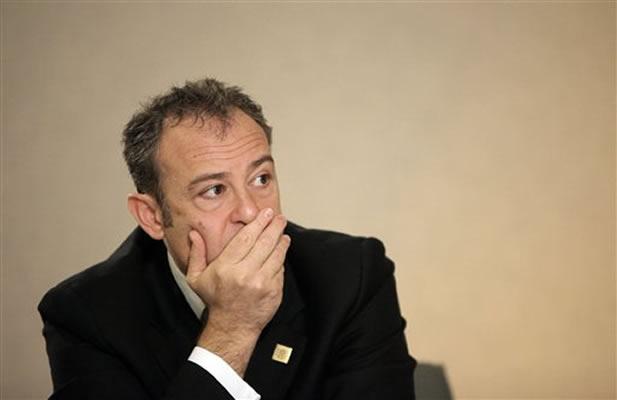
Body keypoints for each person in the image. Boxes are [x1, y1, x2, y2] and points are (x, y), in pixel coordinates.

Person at [38, 78, 416, 399]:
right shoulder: (86, 314)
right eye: (214, 190)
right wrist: (232, 328)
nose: (250, 212)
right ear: (152, 216)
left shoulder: (351, 275)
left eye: (261, 179)